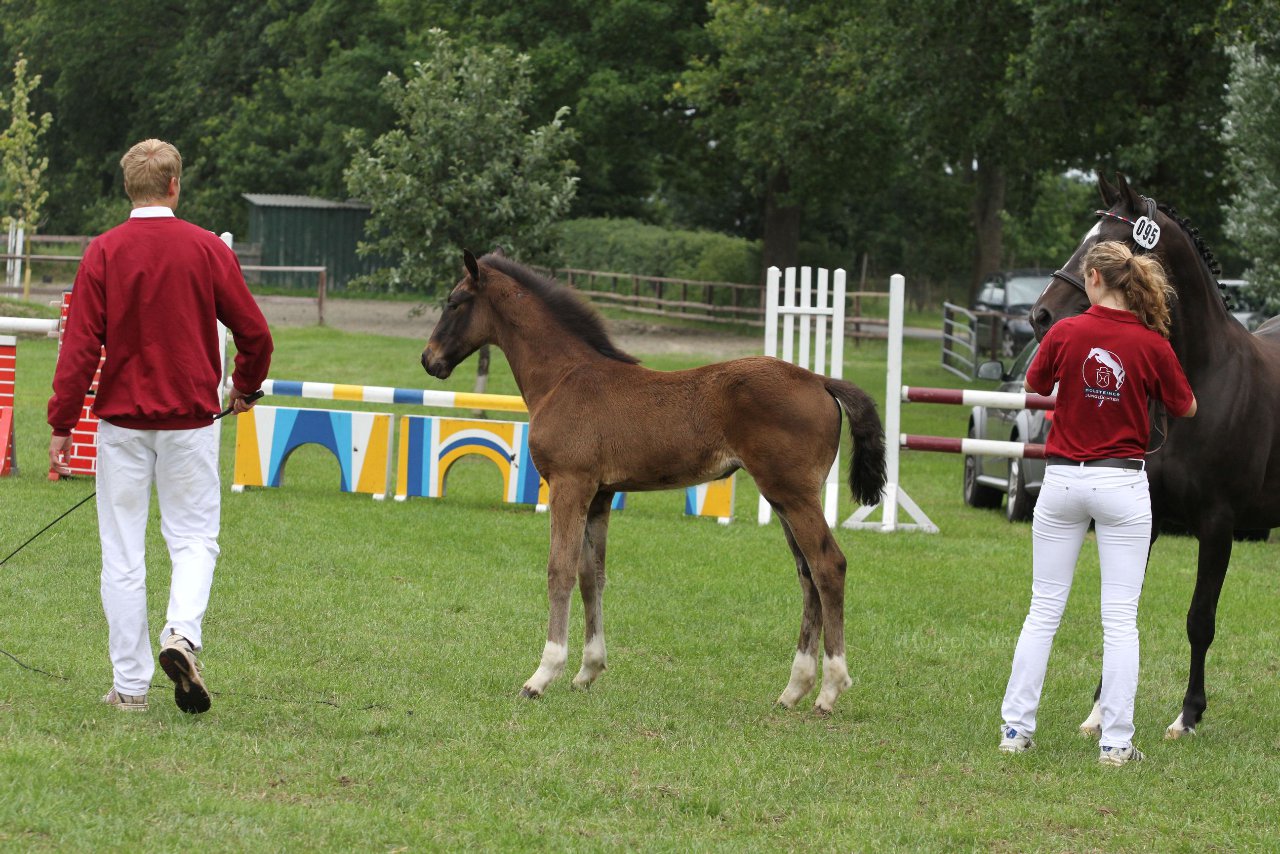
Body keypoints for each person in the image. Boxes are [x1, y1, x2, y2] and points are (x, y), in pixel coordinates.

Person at [48, 139, 273, 714]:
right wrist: (244, 387)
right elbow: (255, 334)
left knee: (122, 552)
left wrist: (61, 421)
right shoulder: (205, 249)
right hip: (192, 423)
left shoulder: (103, 251)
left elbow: (78, 347)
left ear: (130, 188)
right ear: (175, 186)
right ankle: (182, 634)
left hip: (121, 425)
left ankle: (129, 687)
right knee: (193, 538)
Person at [999, 240, 1196, 766]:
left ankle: (1016, 730)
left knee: (1043, 610)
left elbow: (1038, 383)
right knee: (1120, 619)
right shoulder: (1153, 343)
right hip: (1123, 485)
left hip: (1062, 480)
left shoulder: (1065, 332)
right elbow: (1187, 405)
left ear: (1092, 279)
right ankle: (1116, 741)